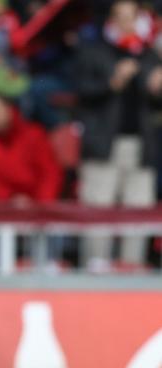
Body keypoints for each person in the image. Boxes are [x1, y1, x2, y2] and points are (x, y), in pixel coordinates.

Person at [75, 0, 162, 270]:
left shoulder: (148, 55)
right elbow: (81, 91)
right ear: (111, 20)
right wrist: (112, 83)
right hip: (104, 143)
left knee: (138, 209)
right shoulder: (94, 51)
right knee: (99, 208)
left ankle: (132, 265)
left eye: (131, 17)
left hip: (141, 144)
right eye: (121, 17)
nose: (126, 23)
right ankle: (95, 267)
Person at [0, 92, 63, 204]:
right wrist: (9, 199)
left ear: (8, 109)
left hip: (39, 206)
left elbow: (50, 173)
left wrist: (42, 203)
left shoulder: (33, 135)